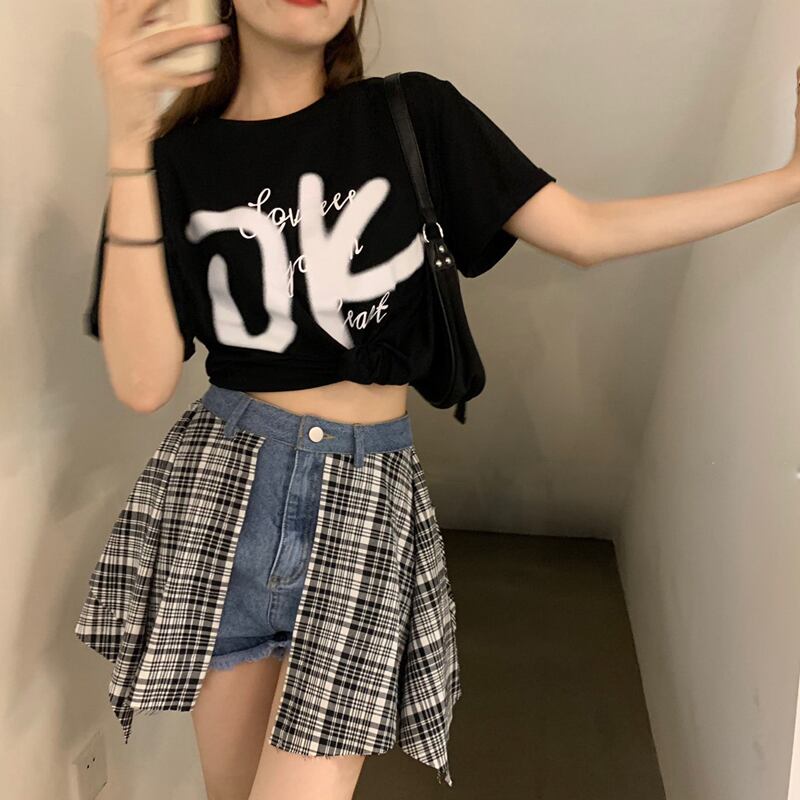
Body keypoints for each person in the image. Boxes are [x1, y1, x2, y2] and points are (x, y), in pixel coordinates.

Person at [75, 2, 800, 799]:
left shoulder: (412, 114)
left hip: (363, 498)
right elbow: (143, 381)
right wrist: (125, 141)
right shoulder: (176, 159)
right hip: (222, 489)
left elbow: (586, 231)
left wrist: (787, 182)